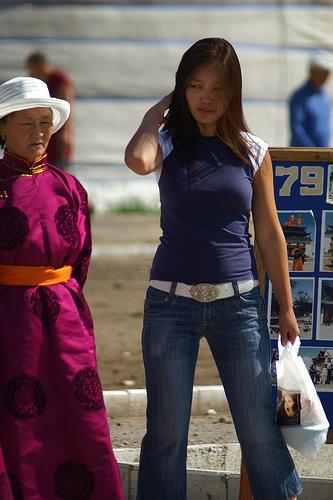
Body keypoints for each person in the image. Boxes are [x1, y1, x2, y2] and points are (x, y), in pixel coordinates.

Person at [125, 38, 301, 500]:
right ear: (181, 89)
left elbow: (269, 233)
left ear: (233, 93)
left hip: (238, 305)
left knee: (260, 431)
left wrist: (285, 306)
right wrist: (153, 115)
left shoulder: (252, 150)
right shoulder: (165, 142)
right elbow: (137, 161)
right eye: (195, 86)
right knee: (165, 436)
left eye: (217, 89)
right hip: (169, 305)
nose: (205, 98)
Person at [0, 76, 124, 499]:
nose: (38, 133)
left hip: (67, 319)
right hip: (10, 323)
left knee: (81, 415)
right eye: (26, 123)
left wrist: (62, 301)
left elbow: (81, 258)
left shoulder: (69, 187)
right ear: (3, 128)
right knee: (20, 421)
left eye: (44, 122)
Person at [25, 51, 74, 170]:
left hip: (58, 128)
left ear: (41, 65)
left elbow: (67, 106)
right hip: (45, 128)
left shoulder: (60, 80)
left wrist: (66, 133)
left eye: (33, 69)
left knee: (58, 165)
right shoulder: (42, 81)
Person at [288, 51, 333, 147]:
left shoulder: (324, 96)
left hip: (323, 156)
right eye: (323, 72)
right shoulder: (299, 97)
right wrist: (312, 151)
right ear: (312, 71)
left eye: (328, 73)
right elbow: (297, 129)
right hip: (304, 158)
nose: (327, 76)